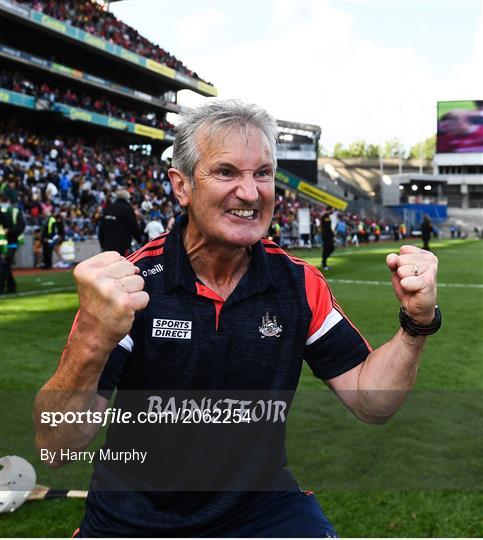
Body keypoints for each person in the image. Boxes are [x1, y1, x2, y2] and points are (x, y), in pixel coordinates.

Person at [34, 100, 440, 538]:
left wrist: (415, 324)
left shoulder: (298, 283)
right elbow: (56, 448)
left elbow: (370, 400)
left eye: (262, 173)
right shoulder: (132, 286)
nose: (250, 192)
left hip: (261, 509)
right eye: (226, 172)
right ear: (182, 185)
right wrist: (91, 340)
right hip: (134, 517)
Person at [98, 189, 141, 256]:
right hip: (122, 246)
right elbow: (133, 226)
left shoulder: (108, 208)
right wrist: (139, 239)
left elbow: (101, 228)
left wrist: (102, 244)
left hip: (107, 245)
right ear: (127, 198)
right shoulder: (127, 208)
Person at [0, 195, 25, 293]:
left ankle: (2, 287)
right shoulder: (15, 211)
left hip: (7, 242)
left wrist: (9, 232)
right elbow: (21, 226)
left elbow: (10, 226)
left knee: (4, 265)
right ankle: (11, 287)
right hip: (11, 242)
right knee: (5, 265)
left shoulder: (5, 212)